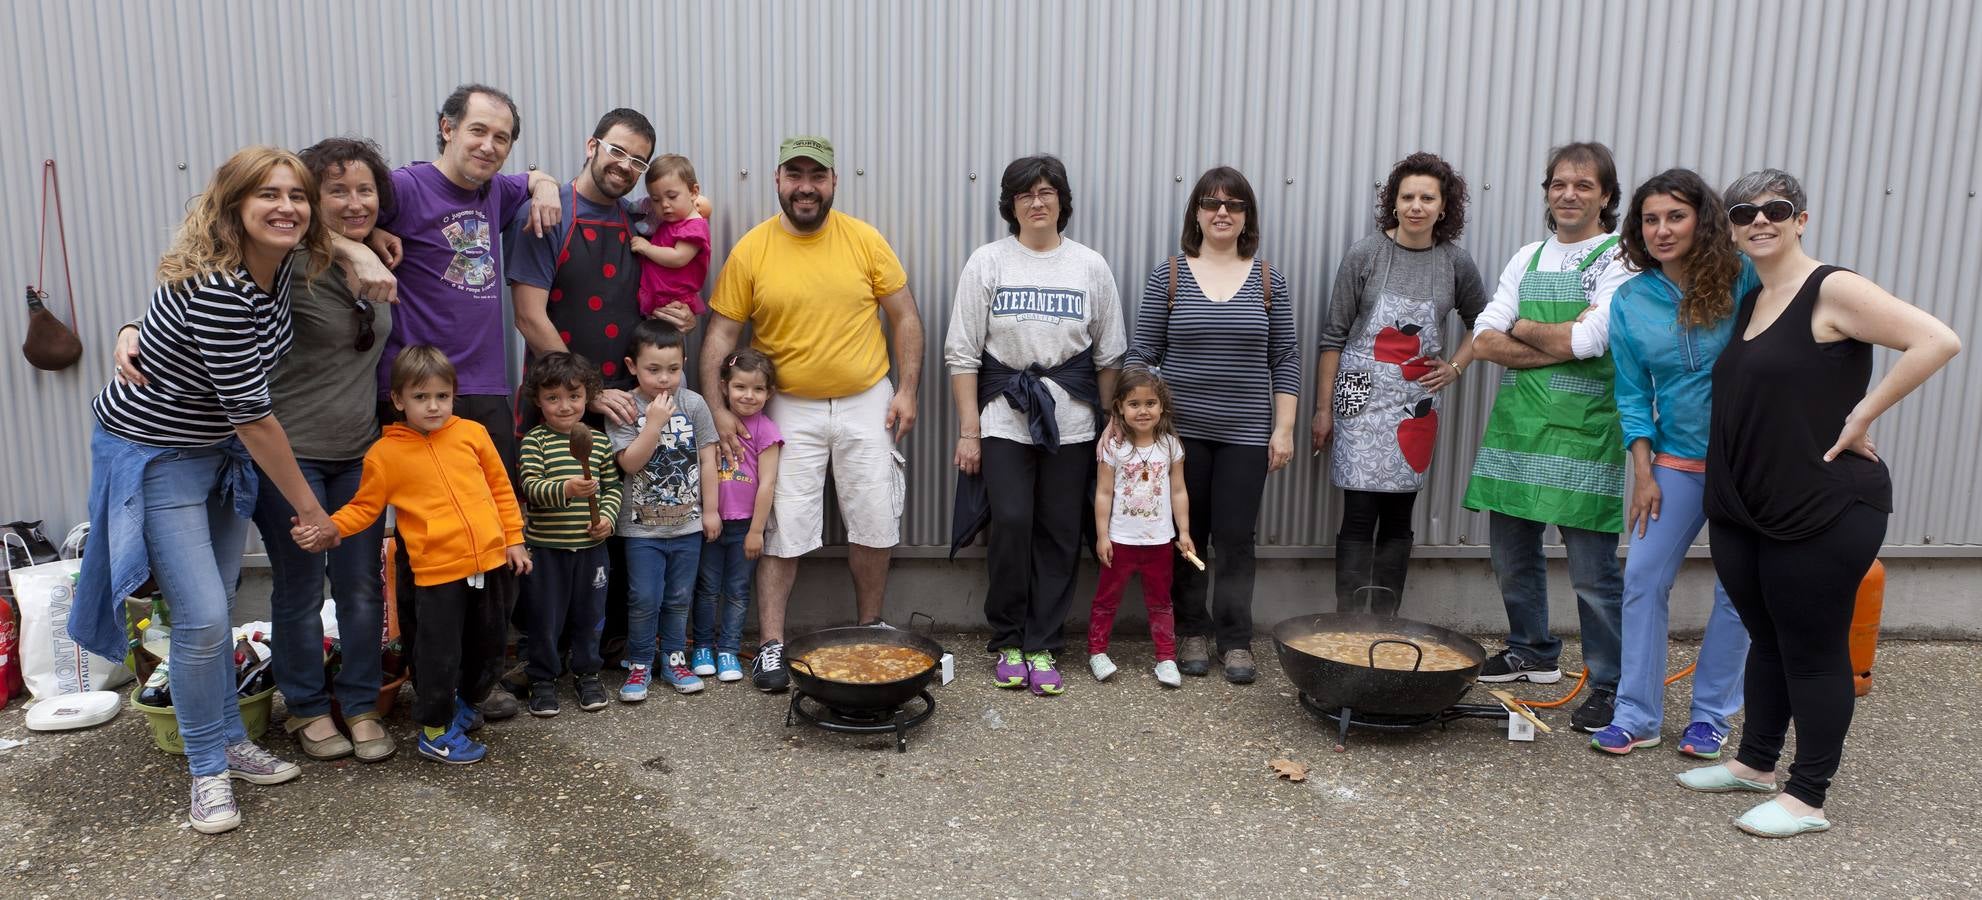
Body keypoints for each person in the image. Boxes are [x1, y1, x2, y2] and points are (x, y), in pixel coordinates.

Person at [1678, 169, 1959, 838]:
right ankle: (1754, 765)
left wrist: (1864, 413)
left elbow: (1937, 339)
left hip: (1821, 507)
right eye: (1743, 212)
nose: (1759, 220)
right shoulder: (1754, 301)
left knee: (1812, 648)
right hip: (1746, 507)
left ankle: (1807, 798)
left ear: (1801, 218)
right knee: (1767, 638)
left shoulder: (1832, 288)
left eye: (1775, 208)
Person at [111, 139, 405, 765]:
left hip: (358, 452)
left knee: (360, 587)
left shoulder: (370, 261)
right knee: (296, 589)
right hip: (282, 455)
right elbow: (193, 307)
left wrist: (358, 245)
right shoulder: (273, 267)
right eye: (334, 191)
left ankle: (357, 702)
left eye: (365, 190)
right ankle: (302, 707)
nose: (352, 203)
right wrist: (130, 331)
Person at [73, 146, 340, 834]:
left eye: (297, 195)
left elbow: (175, 335)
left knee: (216, 606)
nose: (286, 206)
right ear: (233, 206)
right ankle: (207, 771)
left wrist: (135, 327)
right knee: (197, 619)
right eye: (268, 195)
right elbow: (253, 416)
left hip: (213, 451)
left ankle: (230, 738)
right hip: (156, 453)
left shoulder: (274, 267)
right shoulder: (221, 287)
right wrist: (311, 511)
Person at [699, 135, 923, 693]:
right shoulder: (752, 248)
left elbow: (906, 316)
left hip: (866, 396)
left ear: (833, 182)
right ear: (777, 180)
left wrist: (908, 389)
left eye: (816, 176)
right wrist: (717, 409)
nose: (806, 187)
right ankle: (772, 646)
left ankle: (871, 627)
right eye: (795, 175)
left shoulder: (864, 240)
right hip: (786, 406)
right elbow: (721, 333)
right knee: (783, 524)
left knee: (873, 515)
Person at [374, 83, 560, 724]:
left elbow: (533, 177)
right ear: (445, 127)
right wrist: (352, 244)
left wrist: (544, 182)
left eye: (502, 138)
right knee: (428, 548)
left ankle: (481, 681)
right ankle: (432, 682)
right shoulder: (402, 187)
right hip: (417, 394)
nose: (489, 146)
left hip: (481, 393)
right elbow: (324, 215)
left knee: (497, 539)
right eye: (477, 130)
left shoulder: (498, 189)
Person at [1463, 141, 1633, 732]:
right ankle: (1531, 651)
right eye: (1559, 184)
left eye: (1584, 186)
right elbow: (1484, 338)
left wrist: (1525, 328)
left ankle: (1611, 684)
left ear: (1607, 196)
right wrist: (1554, 337)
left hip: (1585, 435)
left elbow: (1591, 343)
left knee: (1592, 572)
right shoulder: (1527, 256)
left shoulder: (1621, 260)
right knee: (1511, 556)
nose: (1569, 194)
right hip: (1517, 432)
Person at [1590, 168, 1756, 758]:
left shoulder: (1744, 280)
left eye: (1675, 216)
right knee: (1642, 578)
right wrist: (1643, 472)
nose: (1661, 230)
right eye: (1650, 219)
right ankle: (1636, 714)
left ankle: (1711, 717)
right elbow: (1632, 394)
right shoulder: (1633, 299)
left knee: (1737, 591)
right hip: (1674, 465)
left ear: (1702, 219)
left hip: (1747, 466)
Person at [945, 154, 1125, 695]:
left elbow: (1110, 354)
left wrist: (1108, 422)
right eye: (1026, 193)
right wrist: (968, 430)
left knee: (1059, 531)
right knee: (1013, 522)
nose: (1038, 201)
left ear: (1062, 201)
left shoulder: (1089, 266)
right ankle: (1008, 639)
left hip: (1072, 422)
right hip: (1003, 416)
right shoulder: (988, 262)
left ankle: (1044, 643)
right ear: (1011, 204)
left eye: (1047, 191)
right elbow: (962, 353)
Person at [302, 346, 531, 765]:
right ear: (398, 400)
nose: (433, 406)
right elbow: (364, 508)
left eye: (442, 396)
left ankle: (464, 706)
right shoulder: (385, 455)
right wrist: (331, 527)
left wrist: (513, 538)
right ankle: (434, 731)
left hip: (491, 564)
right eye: (421, 397)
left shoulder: (472, 434)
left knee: (488, 646)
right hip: (436, 575)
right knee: (438, 657)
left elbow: (501, 488)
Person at [1122, 166, 1299, 685]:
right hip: (1179, 437)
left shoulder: (1269, 279)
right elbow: (1143, 354)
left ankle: (1236, 639)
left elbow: (1284, 357)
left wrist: (1282, 429)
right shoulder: (1170, 274)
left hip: (1246, 434)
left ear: (1247, 217)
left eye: (1234, 204)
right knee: (1187, 534)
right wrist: (1142, 427)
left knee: (1236, 537)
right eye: (1211, 203)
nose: (1223, 212)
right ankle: (1191, 632)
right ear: (1196, 213)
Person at [1312, 152, 1488, 615]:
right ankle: (1347, 623)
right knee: (1358, 513)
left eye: (1427, 197)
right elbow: (1333, 335)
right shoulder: (1365, 254)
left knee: (1397, 515)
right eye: (1407, 196)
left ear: (1444, 206)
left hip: (1416, 402)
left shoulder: (1455, 263)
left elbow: (1484, 323)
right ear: (1393, 203)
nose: (1416, 206)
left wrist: (1455, 366)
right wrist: (1323, 409)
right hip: (1358, 395)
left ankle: (1385, 620)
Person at [511, 108, 683, 431]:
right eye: (617, 151)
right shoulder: (546, 214)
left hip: (630, 408)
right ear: (592, 146)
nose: (625, 165)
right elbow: (529, 318)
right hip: (558, 406)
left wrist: (679, 315)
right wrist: (586, 391)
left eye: (638, 160)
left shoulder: (642, 223)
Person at [611, 321, 720, 700]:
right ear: (631, 366)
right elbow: (629, 463)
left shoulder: (694, 404)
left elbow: (708, 460)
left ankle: (674, 658)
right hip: (642, 530)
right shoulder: (625, 408)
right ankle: (640, 663)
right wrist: (654, 423)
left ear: (684, 364)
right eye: (653, 370)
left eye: (673, 369)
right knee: (644, 597)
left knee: (678, 596)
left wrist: (711, 512)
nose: (664, 379)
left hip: (687, 526)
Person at [517, 352, 623, 716]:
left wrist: (607, 519)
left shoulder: (600, 442)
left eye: (574, 396)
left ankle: (587, 674)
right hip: (547, 550)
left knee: (590, 615)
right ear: (538, 400)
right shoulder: (535, 442)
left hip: (593, 549)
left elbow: (612, 488)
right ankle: (542, 678)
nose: (564, 407)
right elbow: (530, 486)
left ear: (587, 396)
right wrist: (565, 489)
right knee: (544, 618)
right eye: (553, 398)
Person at [1088, 369, 1194, 688]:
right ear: (1119, 407)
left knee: (1161, 602)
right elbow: (1104, 493)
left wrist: (1184, 532)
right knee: (1106, 599)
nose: (1143, 410)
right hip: (1120, 541)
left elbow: (1179, 491)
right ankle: (1097, 652)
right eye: (1134, 404)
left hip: (1160, 543)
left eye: (1150, 403)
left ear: (1162, 407)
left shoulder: (1171, 447)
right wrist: (1102, 535)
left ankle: (1165, 658)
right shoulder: (1113, 448)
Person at [692, 350, 783, 682]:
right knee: (706, 587)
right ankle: (702, 646)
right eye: (740, 387)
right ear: (724, 387)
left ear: (769, 393)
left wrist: (757, 530)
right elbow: (704, 469)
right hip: (711, 523)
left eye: (758, 389)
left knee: (737, 589)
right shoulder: (711, 425)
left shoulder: (766, 430)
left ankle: (728, 650)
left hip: (745, 526)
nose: (749, 396)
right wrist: (711, 512)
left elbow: (768, 482)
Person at [632, 154, 713, 321]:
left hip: (673, 302)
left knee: (663, 344)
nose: (664, 205)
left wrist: (647, 248)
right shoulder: (670, 222)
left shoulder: (694, 226)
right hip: (658, 295)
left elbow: (678, 258)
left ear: (693, 192)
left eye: (672, 196)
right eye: (655, 199)